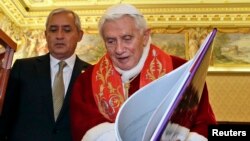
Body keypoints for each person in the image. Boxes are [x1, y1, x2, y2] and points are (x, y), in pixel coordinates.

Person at [70, 4, 216, 141]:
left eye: (127, 39)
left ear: (145, 37)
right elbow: (82, 126)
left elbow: (203, 123)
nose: (119, 49)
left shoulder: (183, 72)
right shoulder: (86, 81)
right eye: (111, 41)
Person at [0, 8, 91, 141]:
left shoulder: (92, 74)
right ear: (46, 34)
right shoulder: (23, 68)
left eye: (67, 30)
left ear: (79, 35)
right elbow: (5, 117)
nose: (59, 36)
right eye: (53, 30)